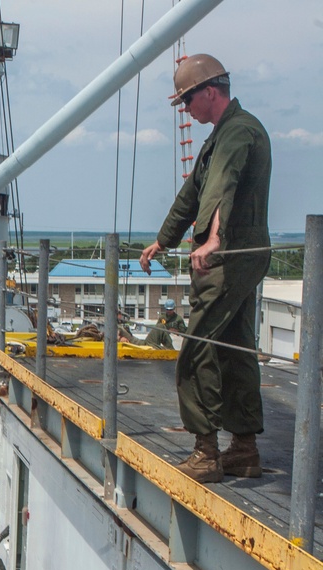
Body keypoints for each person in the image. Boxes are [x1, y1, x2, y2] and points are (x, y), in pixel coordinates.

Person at [139, 54, 271, 483]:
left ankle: (206, 452)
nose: (185, 110)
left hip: (228, 257)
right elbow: (193, 191)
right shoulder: (222, 134)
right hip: (240, 255)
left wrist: (212, 240)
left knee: (197, 349)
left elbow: (221, 186)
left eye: (187, 101)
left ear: (209, 92)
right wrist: (165, 239)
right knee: (234, 345)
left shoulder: (238, 133)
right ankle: (245, 450)